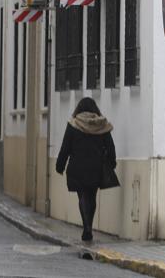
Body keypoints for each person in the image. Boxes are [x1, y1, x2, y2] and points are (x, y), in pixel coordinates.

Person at [55, 97, 117, 243]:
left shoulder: (73, 124)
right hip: (95, 167)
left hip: (77, 166)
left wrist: (60, 165)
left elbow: (65, 147)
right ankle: (89, 226)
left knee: (82, 195)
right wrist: (111, 163)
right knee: (92, 196)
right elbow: (110, 147)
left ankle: (87, 227)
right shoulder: (102, 125)